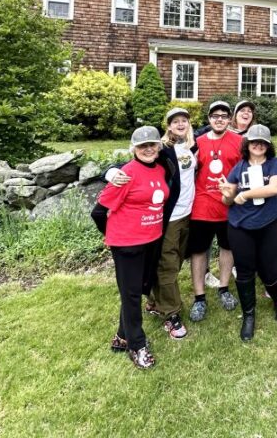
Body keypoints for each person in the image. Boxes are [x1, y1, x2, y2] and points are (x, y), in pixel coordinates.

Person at [97, 126, 169, 370]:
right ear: (134, 149)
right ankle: (137, 345)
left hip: (151, 239)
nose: (148, 149)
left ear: (159, 146)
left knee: (136, 291)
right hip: (128, 244)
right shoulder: (125, 174)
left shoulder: (160, 169)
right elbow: (98, 211)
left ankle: (121, 335)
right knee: (130, 295)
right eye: (142, 146)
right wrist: (115, 235)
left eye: (152, 145)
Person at [219, 124, 277, 341]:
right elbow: (227, 200)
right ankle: (249, 316)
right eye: (253, 141)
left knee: (268, 268)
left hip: (266, 223)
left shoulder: (274, 164)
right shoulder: (238, 168)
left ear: (268, 145)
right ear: (247, 145)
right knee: (245, 270)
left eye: (262, 142)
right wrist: (228, 193)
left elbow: (274, 189)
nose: (258, 145)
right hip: (240, 226)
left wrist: (244, 194)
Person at [144, 107, 198, 340]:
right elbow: (137, 161)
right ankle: (171, 314)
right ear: (168, 125)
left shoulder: (190, 146)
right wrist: (112, 172)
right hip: (170, 216)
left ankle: (155, 300)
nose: (180, 124)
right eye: (175, 121)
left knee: (175, 261)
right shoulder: (163, 150)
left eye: (184, 120)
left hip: (188, 213)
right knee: (167, 264)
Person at [187, 100, 243, 322]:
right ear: (209, 119)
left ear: (230, 119)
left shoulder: (239, 141)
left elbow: (245, 170)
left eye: (224, 115)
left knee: (227, 247)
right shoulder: (197, 143)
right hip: (202, 205)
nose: (219, 119)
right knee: (199, 250)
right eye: (215, 115)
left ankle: (223, 287)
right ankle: (199, 297)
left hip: (228, 205)